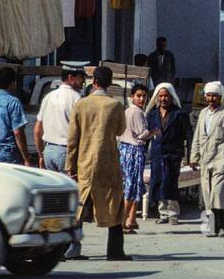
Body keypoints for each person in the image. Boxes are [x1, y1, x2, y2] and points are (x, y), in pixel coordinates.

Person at [66, 66, 132, 261]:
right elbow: (120, 130)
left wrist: (70, 165)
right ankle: (115, 250)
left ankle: (72, 249)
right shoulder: (116, 105)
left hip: (84, 163)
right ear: (110, 83)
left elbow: (72, 139)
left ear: (93, 82)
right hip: (108, 163)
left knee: (79, 206)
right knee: (114, 204)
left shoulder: (81, 104)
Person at [35, 66, 87, 257]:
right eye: (81, 78)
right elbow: (82, 130)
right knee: (73, 202)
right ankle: (71, 248)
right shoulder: (76, 99)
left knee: (53, 202)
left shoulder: (49, 97)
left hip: (49, 150)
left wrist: (41, 153)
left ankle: (51, 245)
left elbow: (37, 130)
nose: (83, 82)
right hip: (67, 153)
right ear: (71, 77)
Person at [190, 81, 224, 236]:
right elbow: (198, 136)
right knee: (207, 194)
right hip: (206, 159)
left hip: (222, 159)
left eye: (214, 96)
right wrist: (194, 156)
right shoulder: (203, 114)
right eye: (209, 95)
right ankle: (212, 227)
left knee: (218, 194)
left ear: (220, 97)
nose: (211, 99)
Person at [147, 82, 188, 224]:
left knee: (171, 182)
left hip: (173, 154)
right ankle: (163, 213)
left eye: (166, 96)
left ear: (171, 97)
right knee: (159, 182)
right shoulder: (152, 114)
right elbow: (147, 134)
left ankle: (173, 214)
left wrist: (188, 156)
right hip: (157, 154)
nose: (163, 99)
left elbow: (188, 135)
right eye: (161, 96)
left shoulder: (180, 114)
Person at [118, 83, 152, 234]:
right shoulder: (136, 112)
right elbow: (142, 134)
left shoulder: (128, 111)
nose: (141, 99)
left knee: (134, 184)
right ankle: (123, 220)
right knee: (131, 186)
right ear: (132, 97)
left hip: (126, 149)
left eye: (144, 96)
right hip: (134, 150)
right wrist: (153, 132)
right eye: (138, 96)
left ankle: (131, 219)